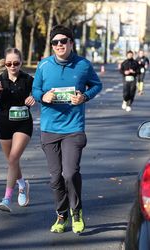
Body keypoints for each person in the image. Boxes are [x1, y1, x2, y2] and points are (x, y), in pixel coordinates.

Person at [32, 25, 102, 234]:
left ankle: (76, 211)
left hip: (73, 128)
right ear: (52, 45)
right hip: (49, 129)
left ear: (71, 43)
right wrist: (42, 97)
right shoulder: (44, 66)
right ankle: (61, 215)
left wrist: (84, 97)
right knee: (55, 178)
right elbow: (35, 89)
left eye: (64, 41)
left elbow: (97, 85)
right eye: (55, 42)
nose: (59, 45)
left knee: (70, 173)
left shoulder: (83, 65)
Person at [0, 48, 35, 212]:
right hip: (4, 124)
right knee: (12, 161)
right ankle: (22, 184)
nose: (12, 66)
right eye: (9, 63)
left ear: (21, 63)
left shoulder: (28, 79)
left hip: (23, 124)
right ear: (5, 63)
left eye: (16, 63)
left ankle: (6, 198)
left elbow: (40, 93)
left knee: (13, 158)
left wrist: (34, 97)